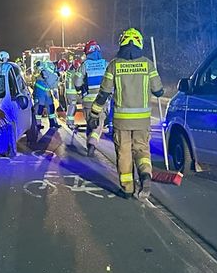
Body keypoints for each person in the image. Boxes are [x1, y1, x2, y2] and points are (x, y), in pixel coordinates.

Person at [88, 28, 163, 199]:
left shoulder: (114, 65)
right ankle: (145, 175)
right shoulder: (147, 64)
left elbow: (104, 93)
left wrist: (95, 112)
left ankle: (127, 189)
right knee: (142, 150)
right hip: (142, 121)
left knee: (124, 153)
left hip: (122, 121)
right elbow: (159, 91)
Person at [79, 40, 108, 157]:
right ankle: (92, 143)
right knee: (99, 124)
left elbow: (77, 82)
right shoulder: (105, 64)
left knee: (90, 123)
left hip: (87, 101)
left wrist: (80, 88)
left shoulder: (85, 65)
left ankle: (88, 143)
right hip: (101, 100)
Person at [33, 61, 60, 129]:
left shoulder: (56, 74)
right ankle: (37, 124)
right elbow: (39, 64)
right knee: (40, 107)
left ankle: (53, 123)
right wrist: (42, 72)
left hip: (47, 90)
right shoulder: (48, 64)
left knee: (51, 106)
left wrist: (55, 92)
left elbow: (54, 84)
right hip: (40, 89)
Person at [64, 58, 82, 128]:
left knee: (70, 107)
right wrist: (80, 92)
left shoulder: (69, 72)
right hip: (73, 93)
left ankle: (70, 122)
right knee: (72, 107)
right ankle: (70, 124)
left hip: (68, 93)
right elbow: (77, 83)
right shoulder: (75, 73)